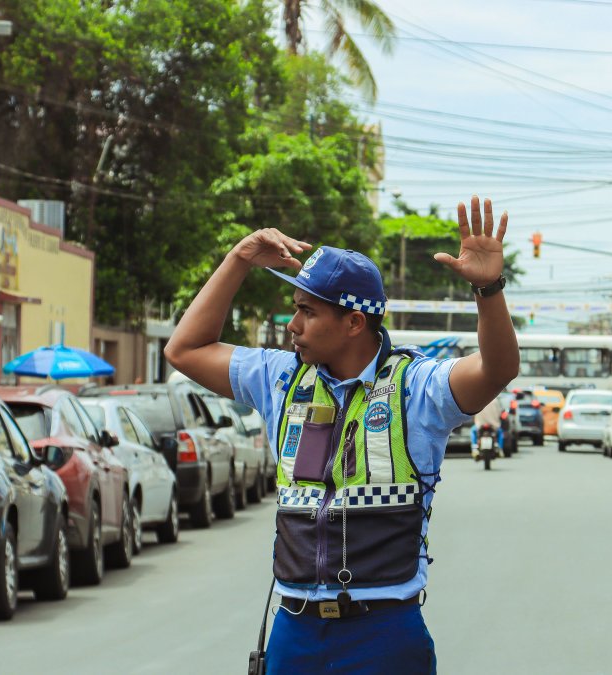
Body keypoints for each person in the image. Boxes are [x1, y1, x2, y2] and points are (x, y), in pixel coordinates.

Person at [164, 195, 519, 674]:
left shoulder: (415, 385)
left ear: (354, 322)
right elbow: (184, 349)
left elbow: (496, 370)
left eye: (307, 312)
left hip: (385, 634)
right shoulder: (282, 378)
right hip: (294, 629)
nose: (293, 325)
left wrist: (490, 291)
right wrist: (238, 259)